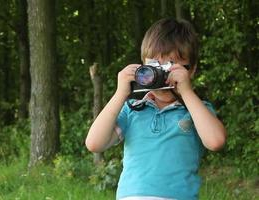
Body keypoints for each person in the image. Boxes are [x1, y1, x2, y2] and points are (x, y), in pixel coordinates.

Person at [85, 18, 226, 200]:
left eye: (169, 67)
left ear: (190, 70)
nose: (160, 75)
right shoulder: (133, 109)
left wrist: (187, 92)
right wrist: (120, 94)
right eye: (154, 67)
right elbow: (94, 144)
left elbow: (216, 141)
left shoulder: (197, 110)